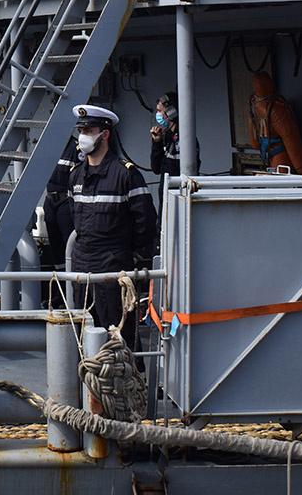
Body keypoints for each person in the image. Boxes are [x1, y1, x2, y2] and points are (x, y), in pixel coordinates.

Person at [68, 105, 157, 355]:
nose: (83, 136)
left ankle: (125, 385)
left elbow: (146, 221)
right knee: (83, 332)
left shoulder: (126, 175)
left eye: (89, 130)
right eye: (81, 130)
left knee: (119, 335)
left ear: (105, 134)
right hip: (82, 265)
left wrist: (131, 253)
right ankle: (89, 387)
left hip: (113, 265)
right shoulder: (76, 176)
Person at [149, 91, 200, 222]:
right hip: (166, 201)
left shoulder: (186, 139)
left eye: (160, 111)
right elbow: (156, 168)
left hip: (178, 202)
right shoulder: (167, 137)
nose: (158, 115)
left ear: (171, 112)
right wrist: (157, 143)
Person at [41, 138, 81, 306]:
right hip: (50, 201)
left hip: (66, 202)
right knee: (56, 250)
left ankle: (74, 293)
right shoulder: (48, 145)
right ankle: (61, 291)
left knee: (69, 249)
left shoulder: (75, 148)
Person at [247, 72, 302, 173]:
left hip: (265, 150)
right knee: (281, 184)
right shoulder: (276, 110)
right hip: (278, 153)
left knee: (275, 183)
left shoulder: (251, 104)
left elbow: (254, 143)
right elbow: (291, 139)